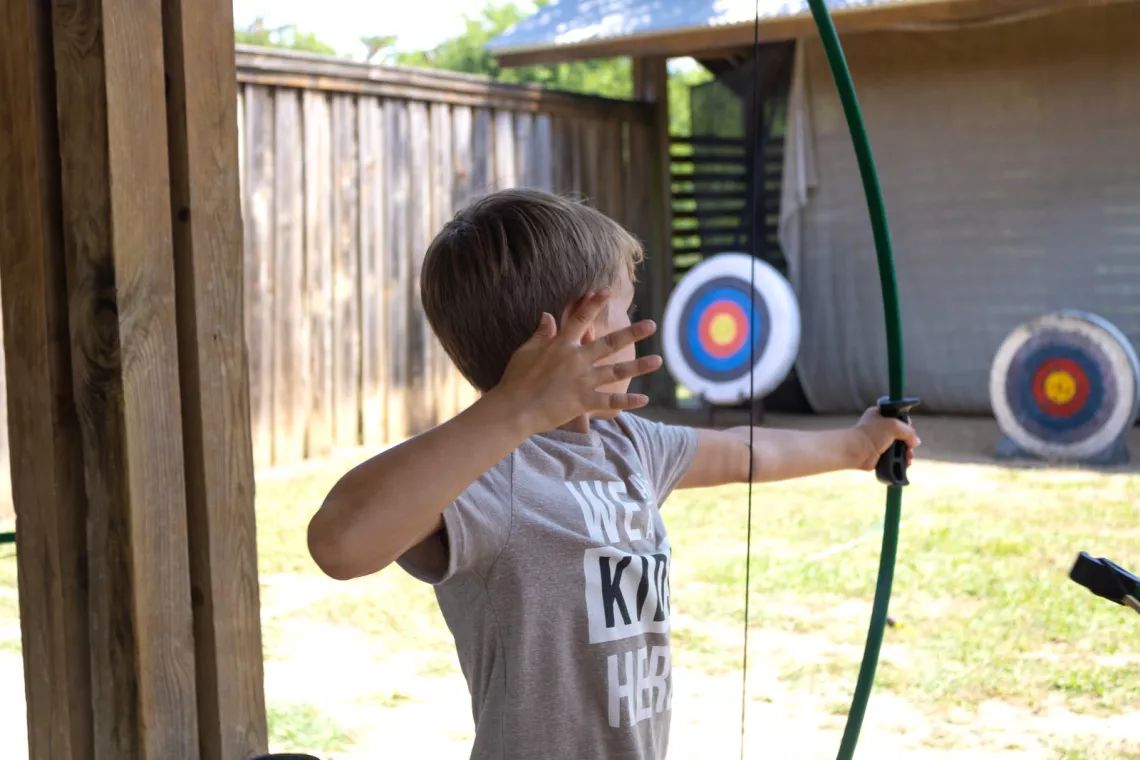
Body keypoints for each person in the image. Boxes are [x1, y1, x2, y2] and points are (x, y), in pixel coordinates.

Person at [307, 188, 920, 760]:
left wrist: (856, 446)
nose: (636, 324)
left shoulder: (628, 444)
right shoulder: (487, 476)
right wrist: (518, 407)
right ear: (589, 323)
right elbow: (340, 542)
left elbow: (741, 451)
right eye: (629, 307)